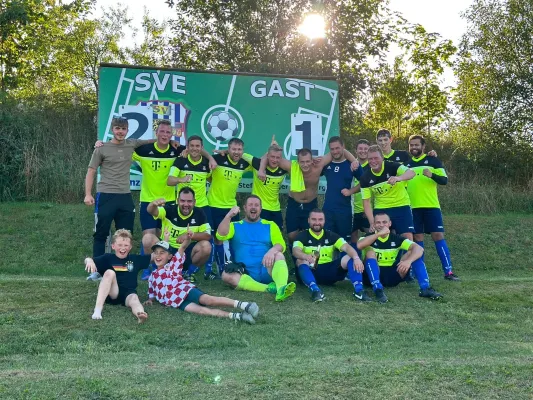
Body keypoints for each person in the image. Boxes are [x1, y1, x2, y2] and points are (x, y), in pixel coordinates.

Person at [144, 228, 259, 324]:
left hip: (186, 291)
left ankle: (245, 305)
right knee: (202, 311)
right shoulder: (152, 276)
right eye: (156, 253)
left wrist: (188, 238)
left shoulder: (173, 265)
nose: (158, 256)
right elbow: (152, 291)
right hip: (176, 302)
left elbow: (182, 248)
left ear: (169, 257)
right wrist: (150, 299)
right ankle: (238, 316)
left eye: (162, 253)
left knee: (209, 300)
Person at [84, 117, 155, 259]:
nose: (120, 131)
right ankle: (97, 269)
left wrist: (171, 141)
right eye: (117, 128)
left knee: (126, 234)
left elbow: (152, 141)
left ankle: (121, 267)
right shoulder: (101, 148)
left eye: (123, 129)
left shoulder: (132, 144)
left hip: (125, 196)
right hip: (106, 195)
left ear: (128, 130)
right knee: (101, 233)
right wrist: (88, 194)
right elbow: (91, 171)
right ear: (112, 129)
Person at [216, 195, 296, 302]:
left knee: (279, 254)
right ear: (245, 208)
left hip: (267, 268)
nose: (253, 207)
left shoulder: (270, 225)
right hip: (245, 272)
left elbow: (281, 245)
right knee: (226, 276)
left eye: (256, 205)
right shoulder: (235, 225)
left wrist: (271, 251)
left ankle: (281, 288)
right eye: (250, 205)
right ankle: (268, 289)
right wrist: (229, 216)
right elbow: (220, 235)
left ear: (260, 208)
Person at [357, 212, 442, 302]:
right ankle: (378, 289)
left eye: (384, 222)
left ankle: (425, 288)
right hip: (370, 276)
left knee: (413, 253)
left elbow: (419, 249)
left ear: (390, 223)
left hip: (393, 275)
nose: (381, 225)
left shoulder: (397, 238)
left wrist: (408, 261)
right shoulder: (367, 238)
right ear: (374, 224)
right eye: (378, 222)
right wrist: (378, 234)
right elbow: (359, 245)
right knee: (370, 253)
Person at [406, 135, 458, 280]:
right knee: (417, 238)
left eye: (416, 145)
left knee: (438, 236)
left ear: (423, 147)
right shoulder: (406, 164)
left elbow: (444, 180)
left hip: (431, 206)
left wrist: (432, 174)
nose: (414, 147)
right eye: (411, 145)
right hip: (412, 208)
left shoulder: (433, 161)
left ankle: (448, 271)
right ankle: (419, 273)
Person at [132, 120, 186, 256]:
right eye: (162, 131)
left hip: (169, 202)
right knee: (148, 237)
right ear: (156, 133)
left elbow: (196, 149)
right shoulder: (143, 150)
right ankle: (147, 268)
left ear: (172, 135)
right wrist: (101, 145)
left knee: (164, 237)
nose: (165, 135)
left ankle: (163, 269)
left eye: (168, 132)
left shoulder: (177, 150)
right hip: (148, 200)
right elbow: (123, 145)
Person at [292, 209, 367, 302]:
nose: (317, 222)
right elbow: (295, 251)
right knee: (300, 260)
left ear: (324, 221)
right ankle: (315, 290)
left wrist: (356, 258)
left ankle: (359, 290)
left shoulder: (331, 235)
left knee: (350, 257)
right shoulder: (302, 236)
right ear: (308, 220)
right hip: (311, 270)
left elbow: (347, 247)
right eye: (314, 219)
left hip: (328, 272)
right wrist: (305, 256)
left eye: (320, 219)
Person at [167, 136, 215, 278]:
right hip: (185, 207)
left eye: (197, 146)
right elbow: (170, 181)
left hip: (202, 206)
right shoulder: (181, 160)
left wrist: (211, 159)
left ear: (202, 147)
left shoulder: (206, 163)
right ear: (187, 147)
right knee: (176, 236)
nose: (195, 148)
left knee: (207, 239)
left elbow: (211, 178)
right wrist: (182, 179)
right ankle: (171, 264)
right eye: (192, 146)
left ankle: (205, 271)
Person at [205, 138, 252, 279]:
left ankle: (224, 268)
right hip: (213, 204)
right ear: (228, 148)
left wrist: (242, 155)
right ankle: (209, 271)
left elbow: (258, 162)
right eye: (233, 149)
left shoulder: (244, 163)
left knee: (226, 239)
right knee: (212, 238)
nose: (236, 152)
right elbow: (207, 176)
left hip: (231, 208)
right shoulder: (217, 159)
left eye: (239, 149)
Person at [83, 229, 150, 322]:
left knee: (134, 299)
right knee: (110, 272)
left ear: (130, 247)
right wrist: (89, 261)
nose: (123, 248)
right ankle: (97, 310)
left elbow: (156, 256)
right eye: (120, 245)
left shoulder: (135, 259)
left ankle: (140, 314)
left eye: (126, 245)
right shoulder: (107, 258)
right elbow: (88, 259)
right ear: (113, 246)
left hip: (129, 294)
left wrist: (166, 242)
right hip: (113, 293)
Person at [146, 187, 212, 281]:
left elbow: (208, 235)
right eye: (182, 201)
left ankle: (188, 274)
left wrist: (189, 235)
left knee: (206, 246)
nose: (186, 204)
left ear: (194, 202)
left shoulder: (199, 213)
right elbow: (151, 211)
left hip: (186, 250)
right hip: (167, 249)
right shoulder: (169, 209)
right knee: (148, 238)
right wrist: (153, 204)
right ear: (177, 201)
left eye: (189, 201)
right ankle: (158, 271)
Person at [359, 145, 416, 240]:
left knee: (407, 238)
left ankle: (408, 254)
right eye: (370, 159)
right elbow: (366, 202)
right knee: (383, 239)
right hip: (381, 209)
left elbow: (411, 173)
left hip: (401, 206)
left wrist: (398, 178)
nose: (373, 161)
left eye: (376, 158)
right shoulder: (365, 177)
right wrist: (372, 222)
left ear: (382, 158)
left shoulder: (392, 166)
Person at [321, 136, 363, 242]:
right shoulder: (326, 164)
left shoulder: (352, 164)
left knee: (344, 243)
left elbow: (365, 182)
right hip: (328, 210)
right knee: (328, 242)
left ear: (343, 147)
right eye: (332, 149)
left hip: (345, 210)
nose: (335, 151)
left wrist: (351, 191)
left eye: (337, 148)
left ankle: (344, 259)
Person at [241, 144, 288, 230]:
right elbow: (240, 154)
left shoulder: (284, 169)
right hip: (259, 208)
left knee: (276, 236)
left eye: (278, 157)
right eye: (272, 157)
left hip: (275, 209)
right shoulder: (257, 164)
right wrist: (224, 151)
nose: (274, 160)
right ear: (267, 156)